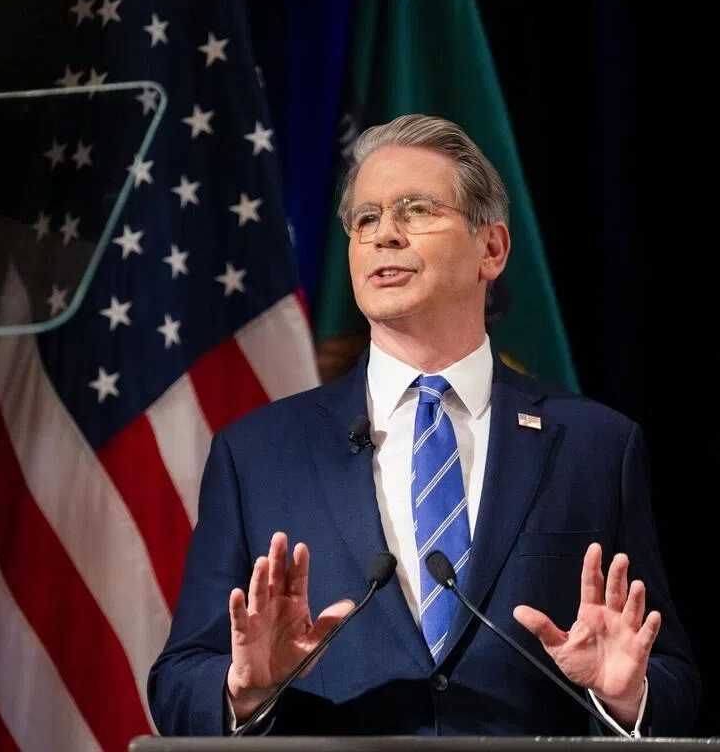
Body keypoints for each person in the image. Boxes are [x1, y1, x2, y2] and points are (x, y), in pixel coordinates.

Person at [146, 114, 700, 737]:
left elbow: (672, 681)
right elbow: (178, 683)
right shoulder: (256, 455)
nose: (386, 235)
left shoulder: (597, 446)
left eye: (415, 210)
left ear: (491, 248)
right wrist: (244, 689)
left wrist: (626, 696)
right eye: (367, 219)